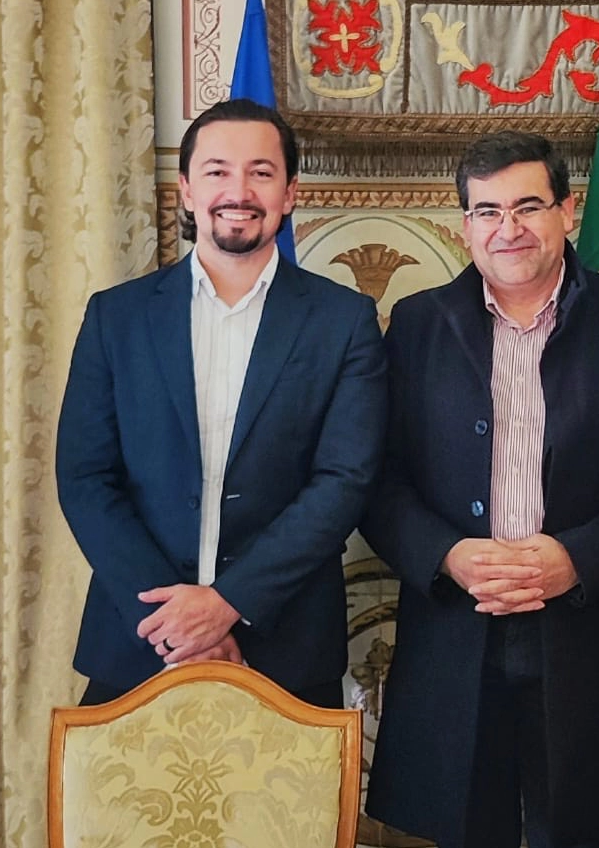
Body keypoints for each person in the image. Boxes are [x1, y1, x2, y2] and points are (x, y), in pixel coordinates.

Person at [360, 130, 599, 848]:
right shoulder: (414, 326)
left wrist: (576, 557)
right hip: (454, 631)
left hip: (587, 630)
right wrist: (448, 554)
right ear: (464, 226)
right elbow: (376, 481)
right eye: (487, 212)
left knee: (573, 830)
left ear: (568, 212)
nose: (507, 229)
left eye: (528, 206)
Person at [56, 98, 386, 708]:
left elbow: (344, 480)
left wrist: (229, 603)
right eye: (217, 171)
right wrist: (178, 622)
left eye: (261, 172)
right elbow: (84, 477)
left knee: (293, 810)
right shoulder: (116, 317)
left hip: (286, 645)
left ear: (289, 192)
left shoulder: (344, 321)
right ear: (185, 190)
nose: (239, 190)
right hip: (140, 640)